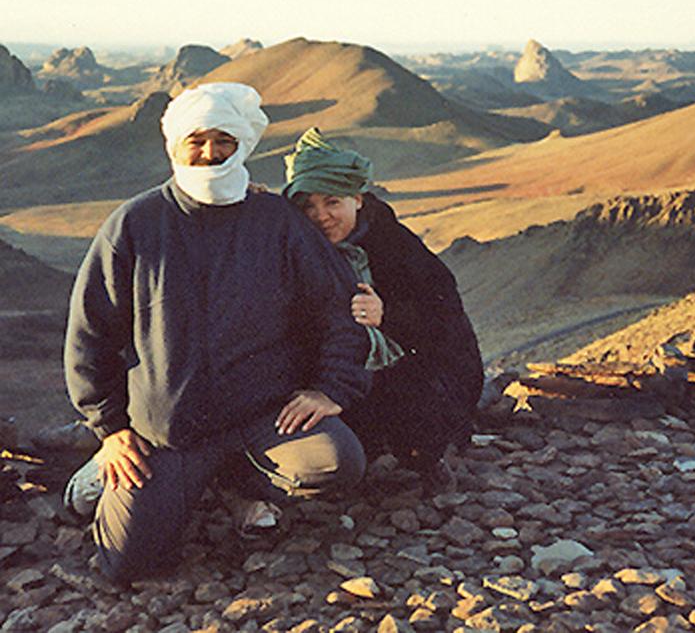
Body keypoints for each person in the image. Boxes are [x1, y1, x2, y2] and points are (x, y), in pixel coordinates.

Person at [63, 84, 372, 583]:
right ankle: (101, 477)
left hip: (261, 420)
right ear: (175, 146)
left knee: (338, 461)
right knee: (126, 566)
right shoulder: (135, 225)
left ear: (243, 144)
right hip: (166, 436)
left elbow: (339, 310)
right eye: (197, 140)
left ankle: (229, 481)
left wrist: (331, 389)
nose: (210, 153)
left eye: (224, 140)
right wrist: (111, 430)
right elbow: (89, 335)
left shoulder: (276, 222)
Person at [283, 128, 484, 491]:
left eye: (332, 202)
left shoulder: (394, 245)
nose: (320, 216)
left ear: (357, 199)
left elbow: (447, 324)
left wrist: (387, 316)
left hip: (416, 379)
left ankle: (424, 455)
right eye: (307, 206)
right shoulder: (299, 247)